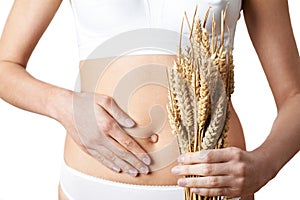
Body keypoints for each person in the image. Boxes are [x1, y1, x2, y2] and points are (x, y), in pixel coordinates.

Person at [0, 0, 299, 200]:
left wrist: (265, 164)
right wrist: (62, 105)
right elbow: (5, 65)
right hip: (95, 185)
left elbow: (294, 95)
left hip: (212, 188)